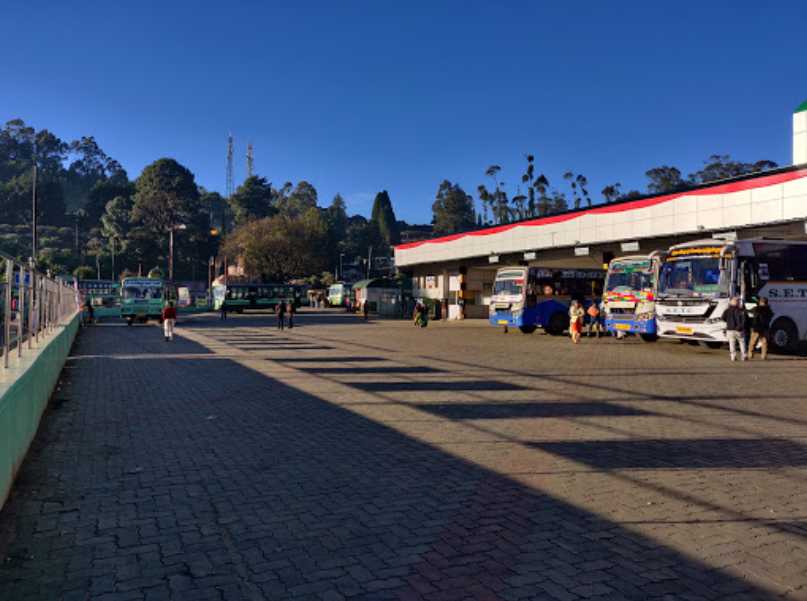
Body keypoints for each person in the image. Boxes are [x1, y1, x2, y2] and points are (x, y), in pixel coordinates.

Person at [722, 296, 747, 361]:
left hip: (730, 329)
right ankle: (743, 356)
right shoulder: (741, 310)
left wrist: (729, 322)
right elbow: (744, 320)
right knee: (742, 342)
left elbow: (723, 318)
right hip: (739, 330)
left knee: (732, 343)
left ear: (730, 303)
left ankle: (733, 356)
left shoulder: (727, 310)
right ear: (738, 303)